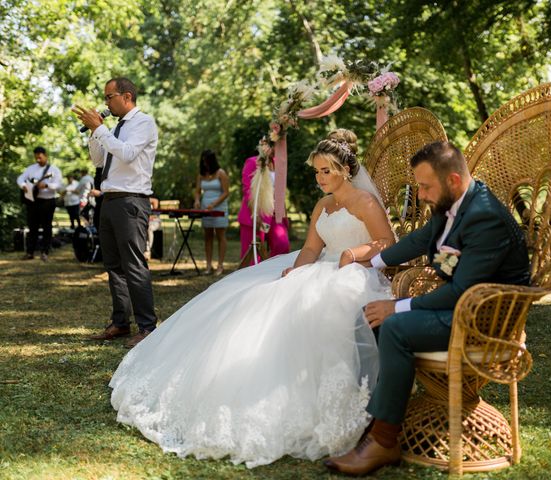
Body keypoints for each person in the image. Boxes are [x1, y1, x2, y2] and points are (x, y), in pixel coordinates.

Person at [109, 130, 395, 467]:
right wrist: (297, 270)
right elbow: (312, 248)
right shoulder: (322, 205)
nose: (319, 178)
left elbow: (387, 242)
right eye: (316, 171)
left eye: (326, 171)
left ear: (345, 169)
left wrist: (353, 253)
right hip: (320, 267)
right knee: (261, 298)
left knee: (316, 309)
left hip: (353, 272)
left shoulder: (366, 202)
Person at [324, 141, 531, 476]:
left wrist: (399, 306)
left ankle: (382, 441)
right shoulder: (455, 203)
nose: (419, 195)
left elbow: (462, 291)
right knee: (377, 317)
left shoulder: (485, 218)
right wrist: (370, 262)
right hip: (460, 306)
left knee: (393, 324)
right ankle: (384, 422)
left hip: (485, 319)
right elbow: (420, 240)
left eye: (424, 186)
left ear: (452, 180)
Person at [72, 77, 158, 349]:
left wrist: (100, 129)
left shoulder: (143, 123)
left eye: (110, 97)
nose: (106, 102)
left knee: (133, 265)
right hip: (109, 201)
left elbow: (128, 154)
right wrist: (93, 132)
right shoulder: (115, 128)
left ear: (127, 96)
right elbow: (99, 161)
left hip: (131, 201)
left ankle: (147, 327)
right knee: (113, 265)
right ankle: (121, 322)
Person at [238, 142, 289, 264]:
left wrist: (284, 212)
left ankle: (272, 275)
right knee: (252, 255)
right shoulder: (252, 162)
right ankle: (250, 281)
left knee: (282, 245)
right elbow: (247, 191)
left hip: (275, 214)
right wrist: (255, 215)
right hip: (255, 214)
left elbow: (281, 190)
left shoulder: (279, 163)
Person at [16, 146, 63, 261]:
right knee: (32, 227)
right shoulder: (31, 169)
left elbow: (59, 185)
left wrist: (47, 185)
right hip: (33, 201)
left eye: (40, 157)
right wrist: (24, 186)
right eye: (36, 157)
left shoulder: (54, 170)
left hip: (48, 201)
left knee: (47, 227)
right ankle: (30, 252)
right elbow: (20, 179)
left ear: (45, 156)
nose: (38, 159)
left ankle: (45, 252)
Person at [193, 150, 229, 275]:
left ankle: (220, 265)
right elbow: (197, 191)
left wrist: (214, 204)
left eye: (206, 160)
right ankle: (208, 265)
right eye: (203, 160)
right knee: (208, 236)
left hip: (219, 207)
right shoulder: (201, 175)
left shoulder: (221, 173)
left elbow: (226, 192)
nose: (204, 163)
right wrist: (197, 200)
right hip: (205, 208)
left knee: (220, 235)